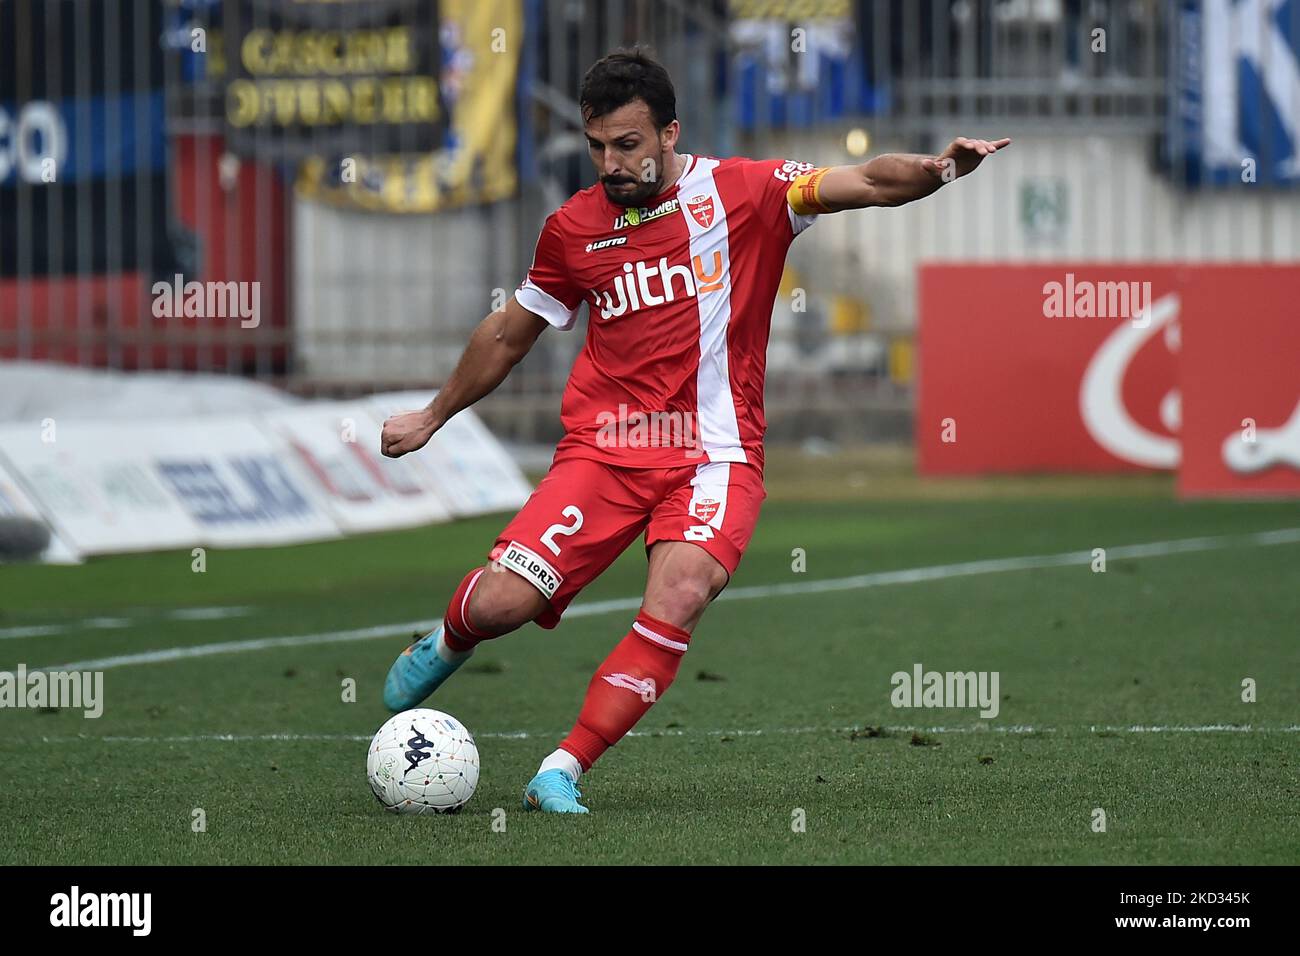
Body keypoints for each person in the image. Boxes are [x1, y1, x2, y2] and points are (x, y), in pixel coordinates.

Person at [379, 47, 1009, 813]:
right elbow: (511, 333)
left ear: (670, 132)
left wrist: (941, 170)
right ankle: (449, 640)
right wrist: (433, 414)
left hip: (716, 455)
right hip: (605, 452)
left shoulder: (746, 193)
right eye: (597, 147)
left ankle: (563, 768)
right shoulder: (572, 229)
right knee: (502, 605)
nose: (610, 163)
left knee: (680, 591)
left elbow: (869, 182)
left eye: (628, 145)